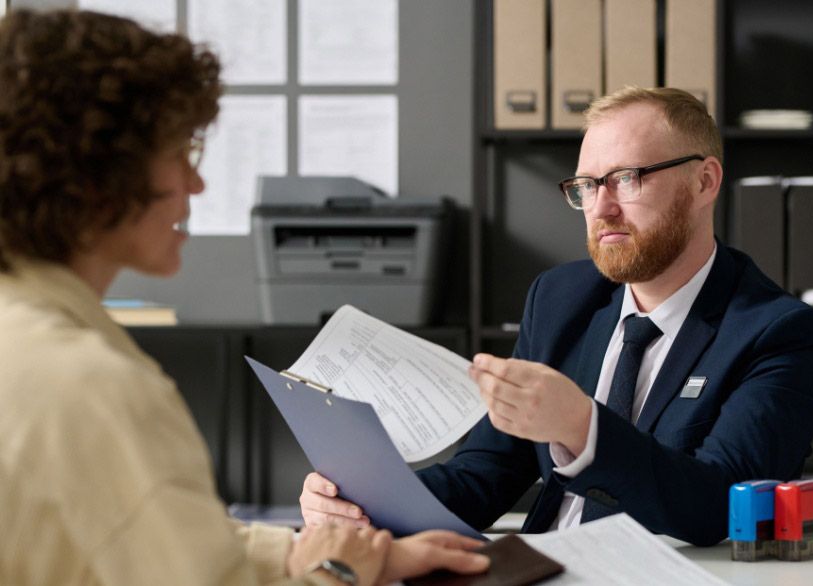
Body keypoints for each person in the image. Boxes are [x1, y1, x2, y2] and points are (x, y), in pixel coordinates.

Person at [0, 9, 488, 586]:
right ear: (100, 176)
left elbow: (150, 532)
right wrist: (338, 572)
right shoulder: (94, 386)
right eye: (181, 154)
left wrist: (298, 555)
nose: (197, 184)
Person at [300, 86, 813, 546]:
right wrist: (368, 501)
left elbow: (717, 505)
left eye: (627, 179)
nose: (601, 208)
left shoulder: (780, 333)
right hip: (540, 567)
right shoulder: (561, 299)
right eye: (585, 186)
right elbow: (485, 473)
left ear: (704, 182)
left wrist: (581, 426)